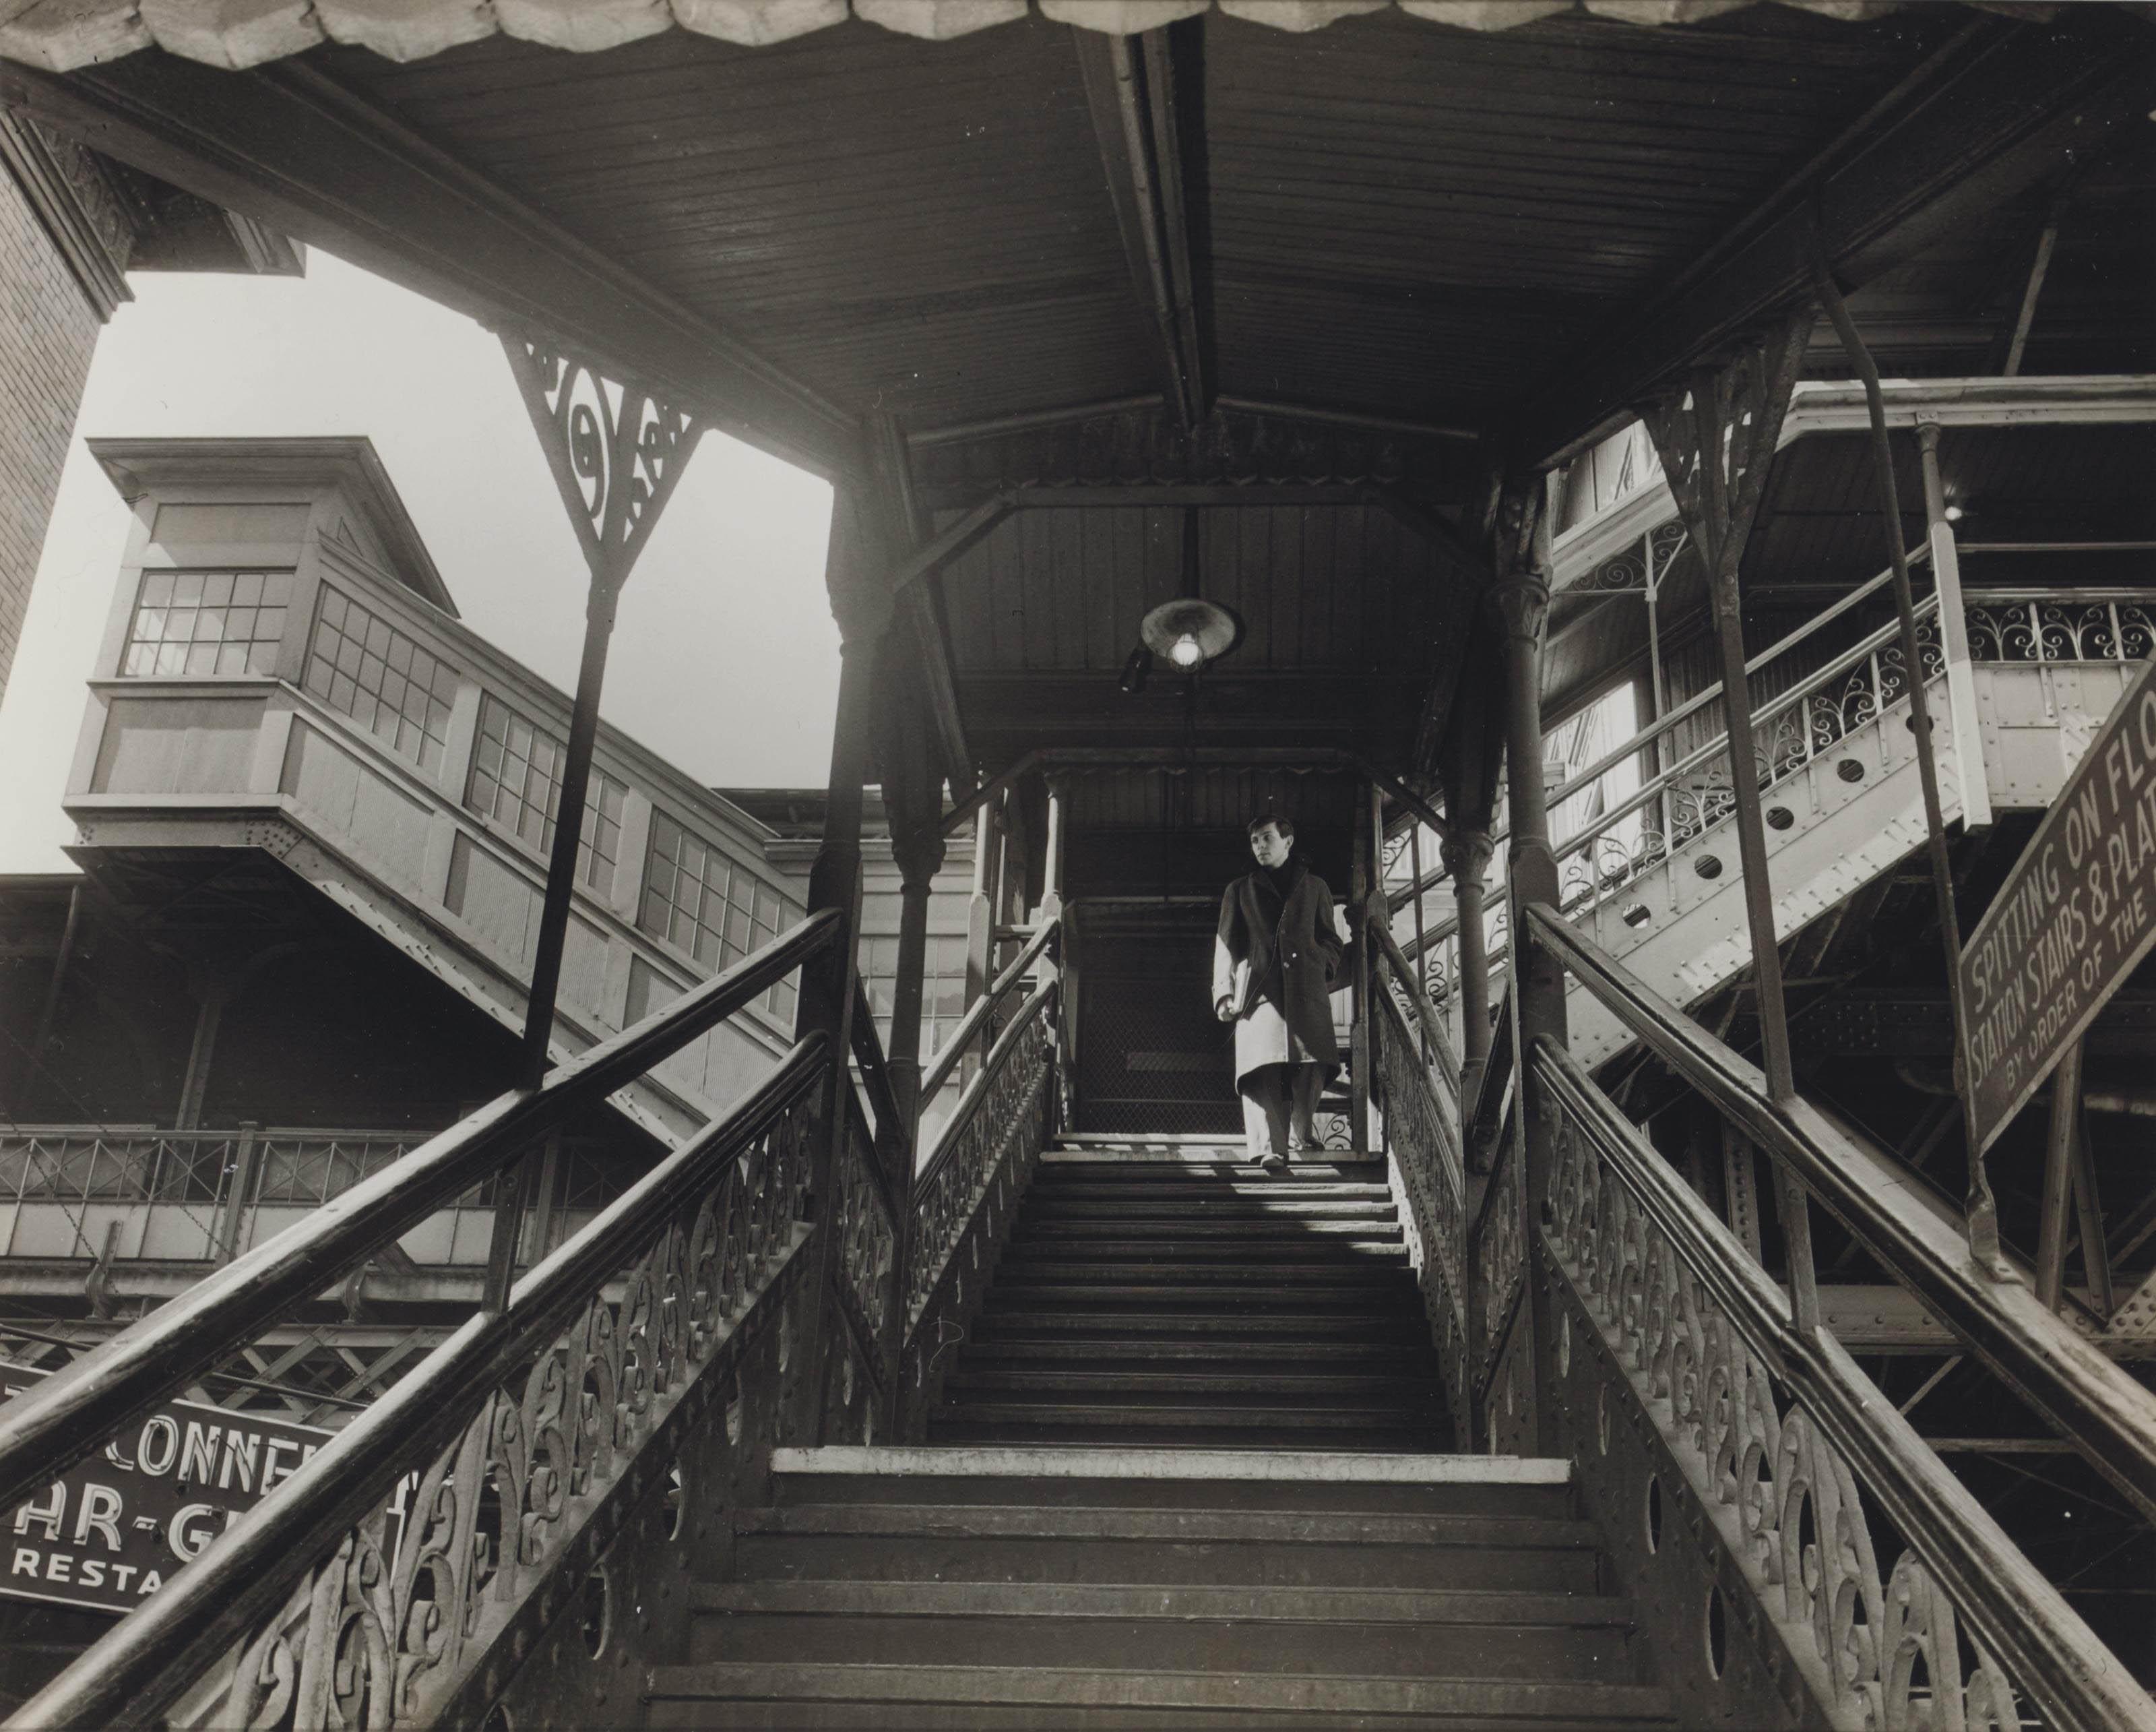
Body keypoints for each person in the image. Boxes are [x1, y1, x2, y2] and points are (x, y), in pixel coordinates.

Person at [1212, 813, 1346, 1171]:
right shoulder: (1239, 890)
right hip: (1260, 991)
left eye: (1267, 838)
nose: (1260, 847)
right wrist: (1224, 991)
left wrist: (1322, 964)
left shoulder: (1316, 887)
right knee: (1261, 1067)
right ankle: (1270, 1148)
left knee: (1314, 1061)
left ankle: (1301, 1132)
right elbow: (1226, 943)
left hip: (1306, 988)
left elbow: (1332, 938)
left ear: (1288, 842)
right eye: (1255, 841)